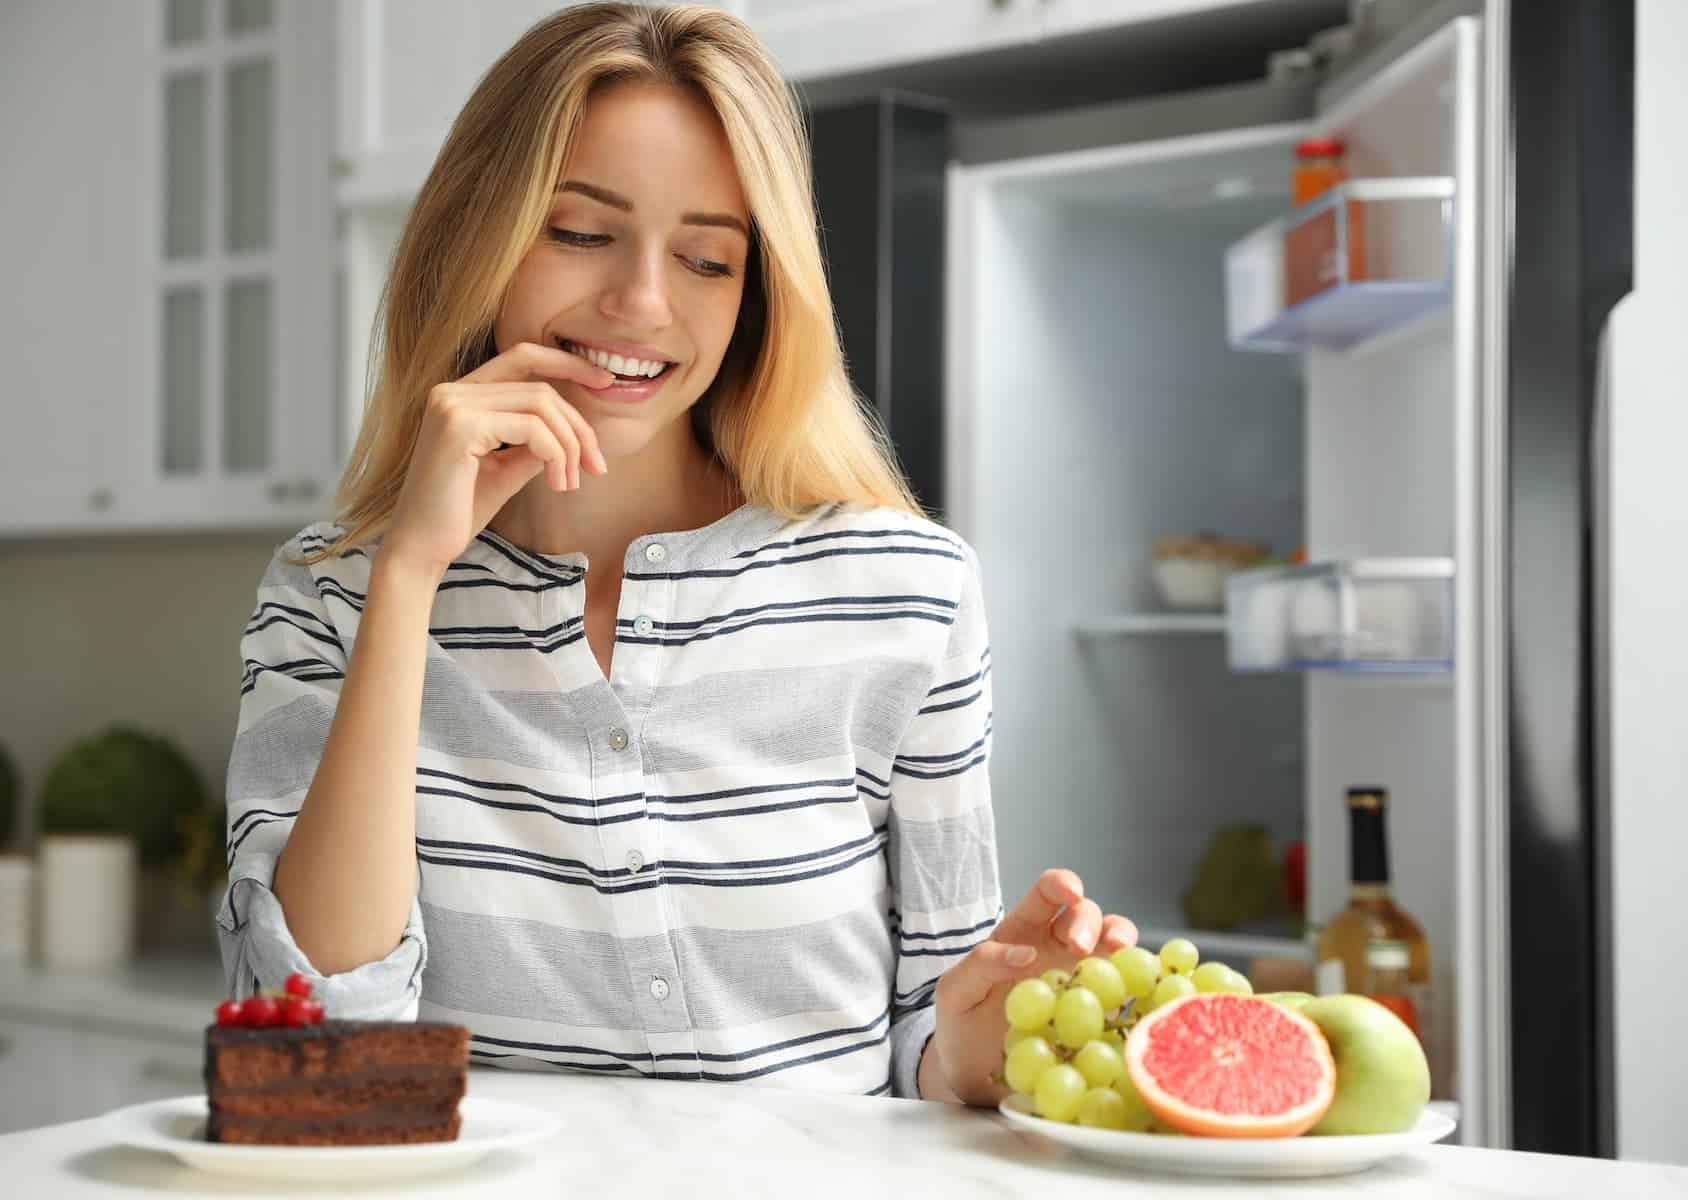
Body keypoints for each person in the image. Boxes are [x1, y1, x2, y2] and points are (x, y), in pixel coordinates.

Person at [219, 1, 1136, 1106]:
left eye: (709, 259)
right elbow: (320, 1052)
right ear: (478, 235)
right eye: (580, 232)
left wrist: (987, 1045)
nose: (644, 304)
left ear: (758, 295)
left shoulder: (906, 591)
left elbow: (928, 1058)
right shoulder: (332, 592)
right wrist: (408, 577)